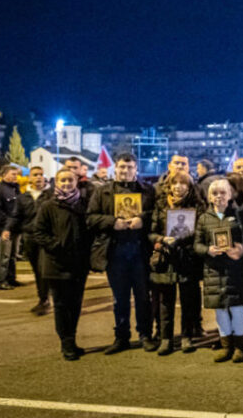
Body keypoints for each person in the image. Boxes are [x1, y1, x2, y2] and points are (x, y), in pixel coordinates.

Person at [87, 153, 157, 355]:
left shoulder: (147, 191)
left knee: (143, 297)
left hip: (140, 251)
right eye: (122, 167)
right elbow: (90, 218)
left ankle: (145, 335)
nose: (125, 171)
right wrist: (112, 222)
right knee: (120, 298)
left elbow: (157, 214)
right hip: (115, 251)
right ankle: (121, 337)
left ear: (136, 169)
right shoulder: (102, 192)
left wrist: (143, 219)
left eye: (130, 167)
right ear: (115, 168)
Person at [195, 178, 243, 363]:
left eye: (223, 192)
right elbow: (197, 244)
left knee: (237, 309)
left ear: (230, 195)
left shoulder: (240, 214)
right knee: (220, 311)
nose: (219, 196)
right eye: (214, 193)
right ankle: (226, 346)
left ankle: (240, 347)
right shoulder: (204, 218)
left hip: (235, 269)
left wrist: (242, 249)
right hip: (214, 271)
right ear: (209, 197)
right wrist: (207, 250)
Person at [32, 168, 92, 360]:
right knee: (61, 305)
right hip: (56, 264)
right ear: (56, 183)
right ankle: (66, 343)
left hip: (78, 264)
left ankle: (71, 338)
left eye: (70, 180)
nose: (66, 184)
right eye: (62, 180)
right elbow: (38, 232)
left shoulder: (83, 205)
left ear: (76, 182)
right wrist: (57, 246)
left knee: (75, 304)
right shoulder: (48, 206)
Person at [149, 171, 204, 355]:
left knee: (188, 300)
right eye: (175, 183)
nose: (178, 187)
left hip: (188, 259)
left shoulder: (197, 206)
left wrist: (181, 240)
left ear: (189, 187)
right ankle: (166, 339)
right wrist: (161, 239)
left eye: (183, 183)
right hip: (166, 259)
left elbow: (200, 231)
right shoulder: (161, 205)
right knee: (166, 301)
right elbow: (151, 232)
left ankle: (187, 336)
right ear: (169, 186)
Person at [16, 167, 51, 314]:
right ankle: (43, 298)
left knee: (44, 269)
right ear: (29, 178)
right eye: (35, 175)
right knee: (37, 270)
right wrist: (8, 230)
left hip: (46, 237)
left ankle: (46, 300)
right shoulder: (23, 197)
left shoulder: (51, 195)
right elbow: (16, 216)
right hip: (30, 237)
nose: (39, 177)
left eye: (41, 174)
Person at [0, 165, 22, 290]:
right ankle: (1, 280)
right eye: (13, 174)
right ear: (4, 175)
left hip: (15, 228)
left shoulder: (15, 189)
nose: (16, 176)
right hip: (4, 228)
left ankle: (11, 278)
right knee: (4, 255)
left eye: (16, 174)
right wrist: (7, 224)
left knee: (12, 255)